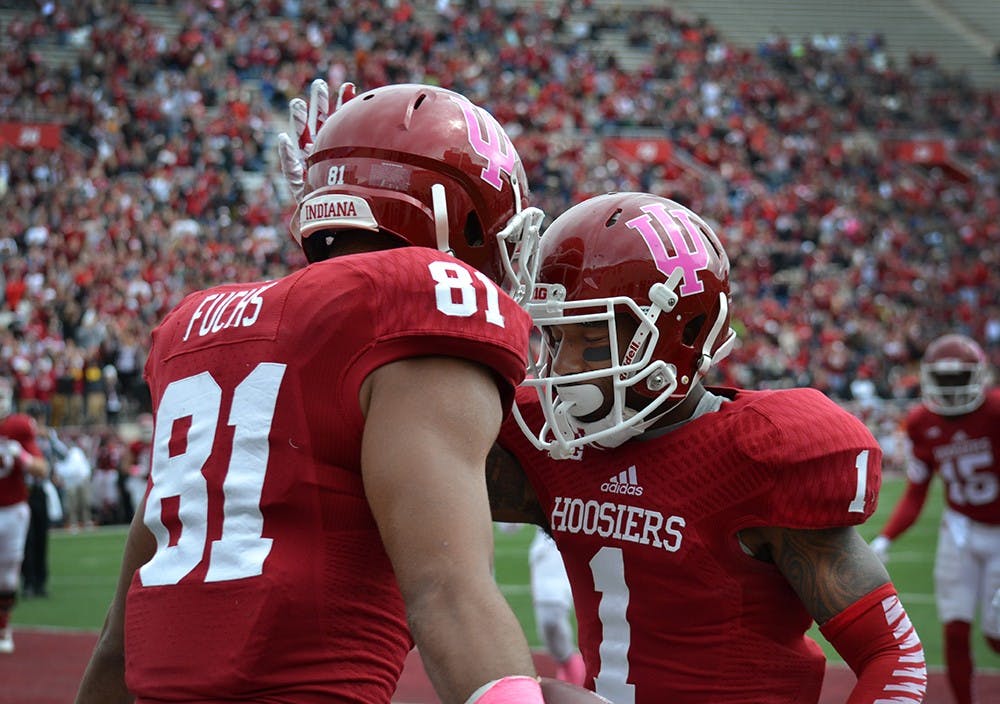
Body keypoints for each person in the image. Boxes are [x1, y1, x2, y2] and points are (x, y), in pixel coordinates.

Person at [74, 81, 597, 704]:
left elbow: (117, 644)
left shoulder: (193, 325)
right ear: (460, 220)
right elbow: (449, 593)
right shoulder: (414, 301)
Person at [486, 191, 929, 703]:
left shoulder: (756, 455)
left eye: (593, 338)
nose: (562, 368)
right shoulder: (550, 444)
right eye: (555, 338)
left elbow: (894, 656)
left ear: (685, 331)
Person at [870, 333, 1000, 704]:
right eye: (944, 379)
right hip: (960, 530)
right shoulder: (920, 421)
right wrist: (886, 538)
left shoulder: (995, 411)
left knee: (995, 636)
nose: (951, 388)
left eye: (958, 378)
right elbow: (917, 491)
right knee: (955, 630)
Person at [0, 375, 49, 653]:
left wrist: (22, 457)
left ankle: (3, 627)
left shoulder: (18, 426)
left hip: (13, 509)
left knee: (7, 575)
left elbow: (42, 469)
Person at [529, 527, 586, 686]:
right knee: (550, 619)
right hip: (553, 541)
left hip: (597, 537)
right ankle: (569, 665)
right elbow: (509, 528)